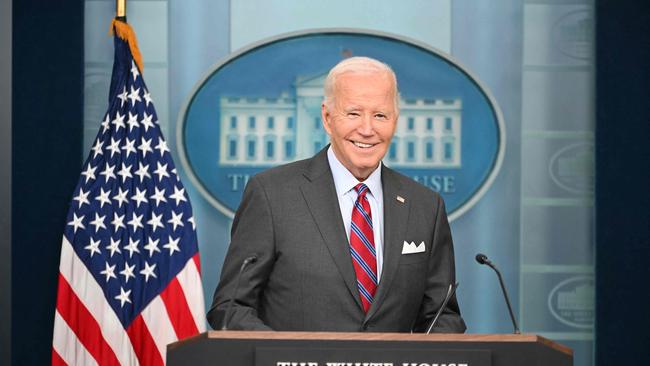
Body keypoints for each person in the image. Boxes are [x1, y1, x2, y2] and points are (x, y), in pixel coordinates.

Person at [207, 56, 466, 333]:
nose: (367, 130)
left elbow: (443, 316)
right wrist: (287, 357)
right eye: (353, 113)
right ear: (328, 118)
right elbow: (231, 308)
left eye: (380, 115)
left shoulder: (426, 206)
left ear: (395, 121)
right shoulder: (271, 194)